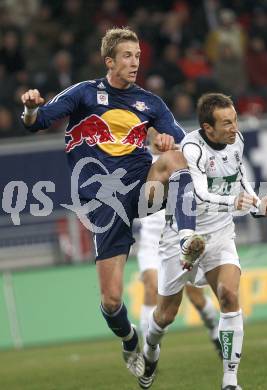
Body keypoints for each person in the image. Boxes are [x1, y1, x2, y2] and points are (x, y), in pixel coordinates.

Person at [20, 27, 205, 379]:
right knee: (111, 300)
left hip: (140, 185)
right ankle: (131, 339)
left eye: (137, 55)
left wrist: (165, 140)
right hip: (103, 201)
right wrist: (30, 109)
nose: (135, 62)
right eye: (127, 56)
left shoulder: (150, 103)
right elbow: (38, 121)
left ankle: (186, 236)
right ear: (109, 61)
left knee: (178, 159)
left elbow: (185, 144)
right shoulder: (84, 94)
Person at [140, 93, 267, 390]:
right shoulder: (192, 148)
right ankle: (149, 350)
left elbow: (242, 182)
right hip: (180, 232)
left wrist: (260, 205)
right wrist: (239, 202)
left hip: (220, 233)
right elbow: (202, 194)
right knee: (165, 316)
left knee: (229, 296)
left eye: (235, 120)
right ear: (208, 128)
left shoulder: (236, 142)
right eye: (227, 123)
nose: (235, 127)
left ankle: (230, 381)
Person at [138, 200, 222, 359]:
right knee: (151, 288)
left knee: (196, 297)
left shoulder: (179, 176)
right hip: (152, 236)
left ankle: (214, 331)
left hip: (178, 232)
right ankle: (148, 352)